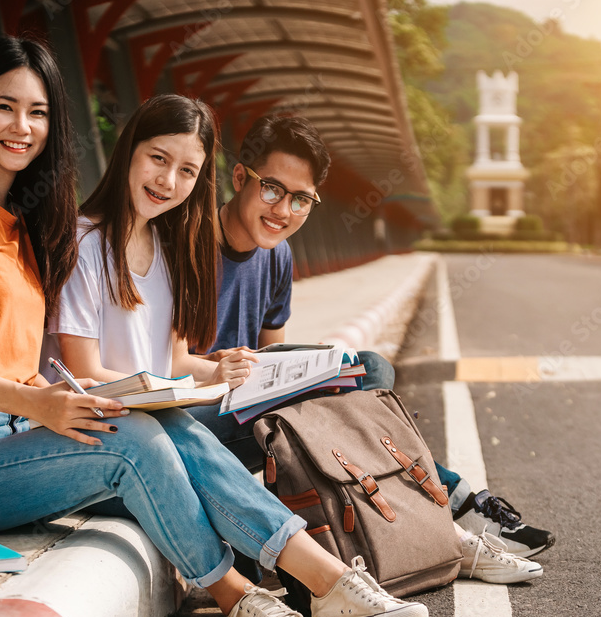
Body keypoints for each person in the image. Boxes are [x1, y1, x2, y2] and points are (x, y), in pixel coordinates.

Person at [0, 40, 427, 617]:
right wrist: (40, 404)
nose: (22, 127)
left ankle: (313, 579)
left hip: (11, 431)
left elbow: (22, 354)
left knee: (165, 422)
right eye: (5, 107)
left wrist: (208, 371)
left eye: (37, 113)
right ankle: (253, 590)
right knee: (141, 435)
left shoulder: (23, 221)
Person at [184, 115, 553, 567]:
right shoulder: (187, 244)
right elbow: (159, 363)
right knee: (365, 387)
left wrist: (309, 372)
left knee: (368, 370)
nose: (282, 210)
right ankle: (457, 509)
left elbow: (270, 358)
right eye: (271, 189)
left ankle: (443, 519)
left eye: (301, 199)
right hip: (194, 423)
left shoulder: (277, 254)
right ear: (240, 177)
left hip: (246, 410)